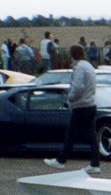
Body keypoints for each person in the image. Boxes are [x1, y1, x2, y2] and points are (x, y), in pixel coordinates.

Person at [43, 45, 101, 174]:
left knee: (71, 133)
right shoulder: (89, 66)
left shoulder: (79, 67)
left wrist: (70, 98)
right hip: (91, 104)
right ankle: (95, 163)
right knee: (91, 135)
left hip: (81, 105)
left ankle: (61, 160)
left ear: (72, 55)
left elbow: (77, 87)